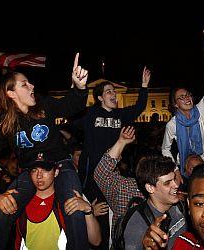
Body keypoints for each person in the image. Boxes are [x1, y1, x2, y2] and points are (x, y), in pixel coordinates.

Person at [0, 53, 90, 249]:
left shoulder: (44, 104)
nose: (31, 86)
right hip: (30, 172)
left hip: (61, 165)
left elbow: (70, 105)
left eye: (29, 83)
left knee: (73, 207)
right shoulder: (4, 122)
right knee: (2, 209)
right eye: (24, 84)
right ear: (11, 93)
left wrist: (80, 88)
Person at [75, 67, 150, 249]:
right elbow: (71, 113)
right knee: (94, 211)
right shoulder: (90, 114)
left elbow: (139, 107)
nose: (114, 94)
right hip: (91, 174)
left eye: (114, 91)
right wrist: (77, 88)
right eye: (109, 92)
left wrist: (144, 86)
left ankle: (114, 242)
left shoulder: (120, 115)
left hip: (112, 173)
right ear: (100, 98)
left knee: (111, 211)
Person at [0, 152, 103, 249]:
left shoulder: (71, 198)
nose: (39, 176)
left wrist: (88, 210)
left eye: (45, 170)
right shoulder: (19, 199)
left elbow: (96, 240)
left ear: (56, 172)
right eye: (34, 170)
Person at [161, 14, 204, 179]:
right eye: (181, 97)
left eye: (187, 95)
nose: (186, 98)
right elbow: (165, 149)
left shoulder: (202, 109)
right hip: (187, 166)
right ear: (175, 104)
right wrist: (175, 169)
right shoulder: (172, 125)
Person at [124, 154, 187, 249]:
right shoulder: (136, 224)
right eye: (167, 183)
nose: (176, 185)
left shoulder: (179, 205)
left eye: (174, 179)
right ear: (150, 188)